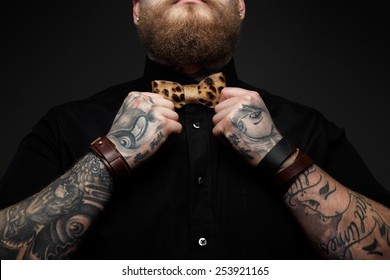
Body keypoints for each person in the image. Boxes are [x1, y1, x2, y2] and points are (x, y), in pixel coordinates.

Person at [0, 0, 389, 260]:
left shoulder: (310, 129)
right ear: (137, 10)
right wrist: (111, 157)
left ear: (239, 7)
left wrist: (280, 157)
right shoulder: (63, 127)